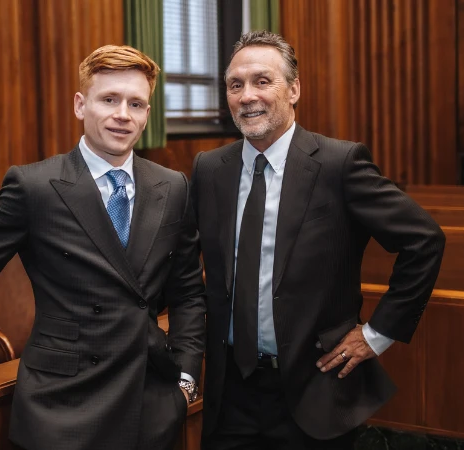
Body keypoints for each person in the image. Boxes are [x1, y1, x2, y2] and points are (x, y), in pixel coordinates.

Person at [0, 45, 206, 450]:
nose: (123, 114)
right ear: (80, 105)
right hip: (62, 403)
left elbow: (189, 291)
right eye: (109, 100)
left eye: (136, 103)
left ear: (147, 115)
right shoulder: (34, 186)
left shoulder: (172, 186)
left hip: (150, 400)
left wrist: (186, 379)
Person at [191, 31, 445, 449]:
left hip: (315, 391)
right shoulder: (209, 168)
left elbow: (425, 240)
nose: (247, 95)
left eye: (262, 81)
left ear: (294, 90)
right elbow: (187, 266)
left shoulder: (338, 163)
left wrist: (376, 334)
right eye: (235, 85)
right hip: (229, 393)